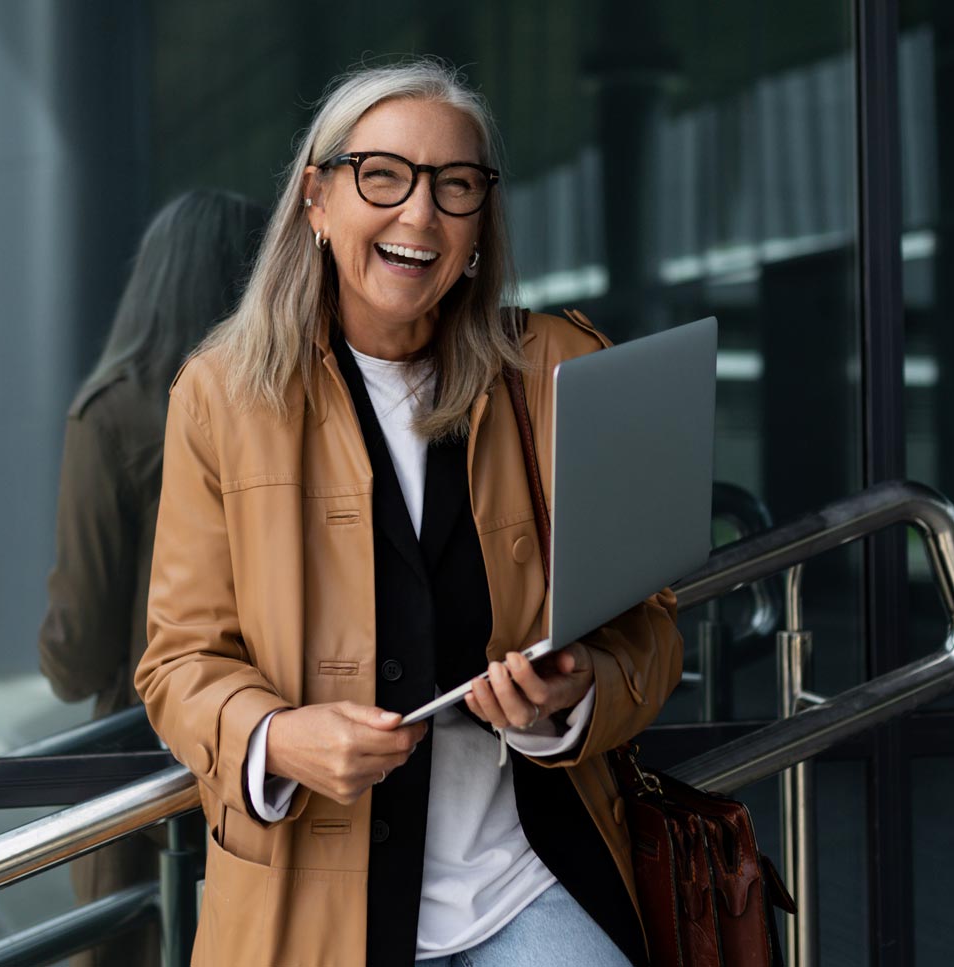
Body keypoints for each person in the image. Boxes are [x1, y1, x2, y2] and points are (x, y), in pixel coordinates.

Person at [134, 59, 682, 967]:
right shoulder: (222, 396)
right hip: (310, 911)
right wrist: (275, 739)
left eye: (456, 186)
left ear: (481, 222)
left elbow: (650, 626)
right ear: (316, 198)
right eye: (382, 176)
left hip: (523, 881)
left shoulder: (558, 369)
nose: (420, 215)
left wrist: (569, 702)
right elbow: (179, 659)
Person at [38, 188, 266, 967]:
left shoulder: (114, 412)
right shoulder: (289, 400)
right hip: (269, 745)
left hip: (141, 747)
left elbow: (79, 645)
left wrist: (55, 652)